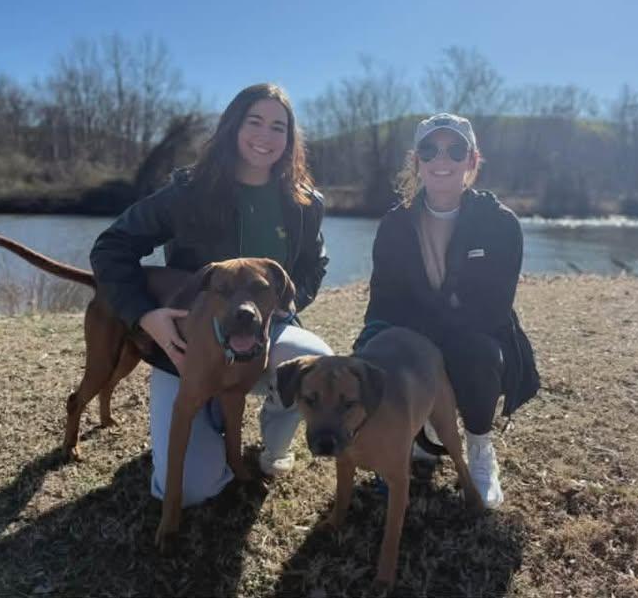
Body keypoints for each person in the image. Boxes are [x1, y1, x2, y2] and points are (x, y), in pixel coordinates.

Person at [90, 82, 333, 505]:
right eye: (254, 121)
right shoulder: (188, 192)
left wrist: (283, 309)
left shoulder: (304, 202)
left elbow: (315, 264)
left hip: (264, 331)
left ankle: (275, 446)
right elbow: (111, 247)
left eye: (279, 127)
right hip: (188, 345)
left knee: (315, 362)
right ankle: (208, 413)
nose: (265, 135)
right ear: (233, 127)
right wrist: (144, 315)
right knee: (189, 490)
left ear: (290, 139)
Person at [354, 113, 539, 508]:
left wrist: (431, 343)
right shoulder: (394, 224)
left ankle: (478, 446)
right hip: (414, 332)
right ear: (416, 160)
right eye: (429, 149)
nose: (442, 159)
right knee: (377, 352)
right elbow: (385, 299)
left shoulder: (501, 224)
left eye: (455, 150)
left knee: (476, 353)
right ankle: (413, 437)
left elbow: (491, 308)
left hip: (474, 336)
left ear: (472, 161)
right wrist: (369, 350)